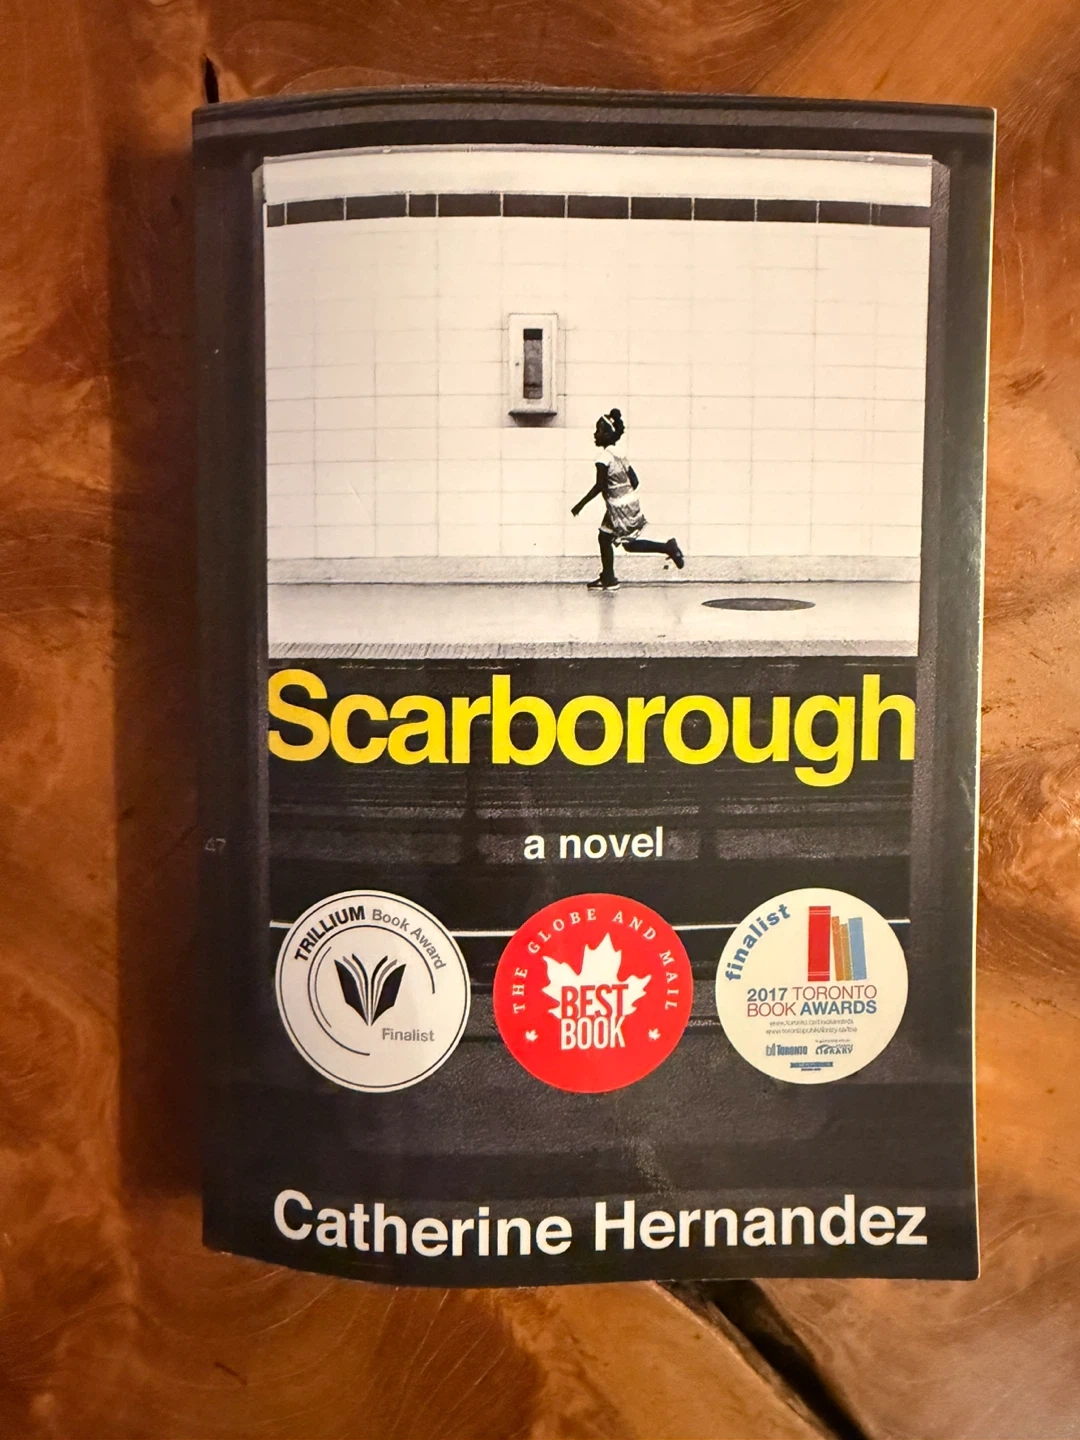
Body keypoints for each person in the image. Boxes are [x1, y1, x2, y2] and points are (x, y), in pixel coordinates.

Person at [570, 408, 685, 591]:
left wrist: (580, 505)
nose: (595, 434)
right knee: (604, 537)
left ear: (607, 434)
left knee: (628, 545)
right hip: (626, 505)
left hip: (619, 508)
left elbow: (600, 485)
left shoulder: (603, 458)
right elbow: (635, 481)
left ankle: (667, 548)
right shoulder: (620, 455)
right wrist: (622, 496)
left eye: (598, 430)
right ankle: (608, 577)